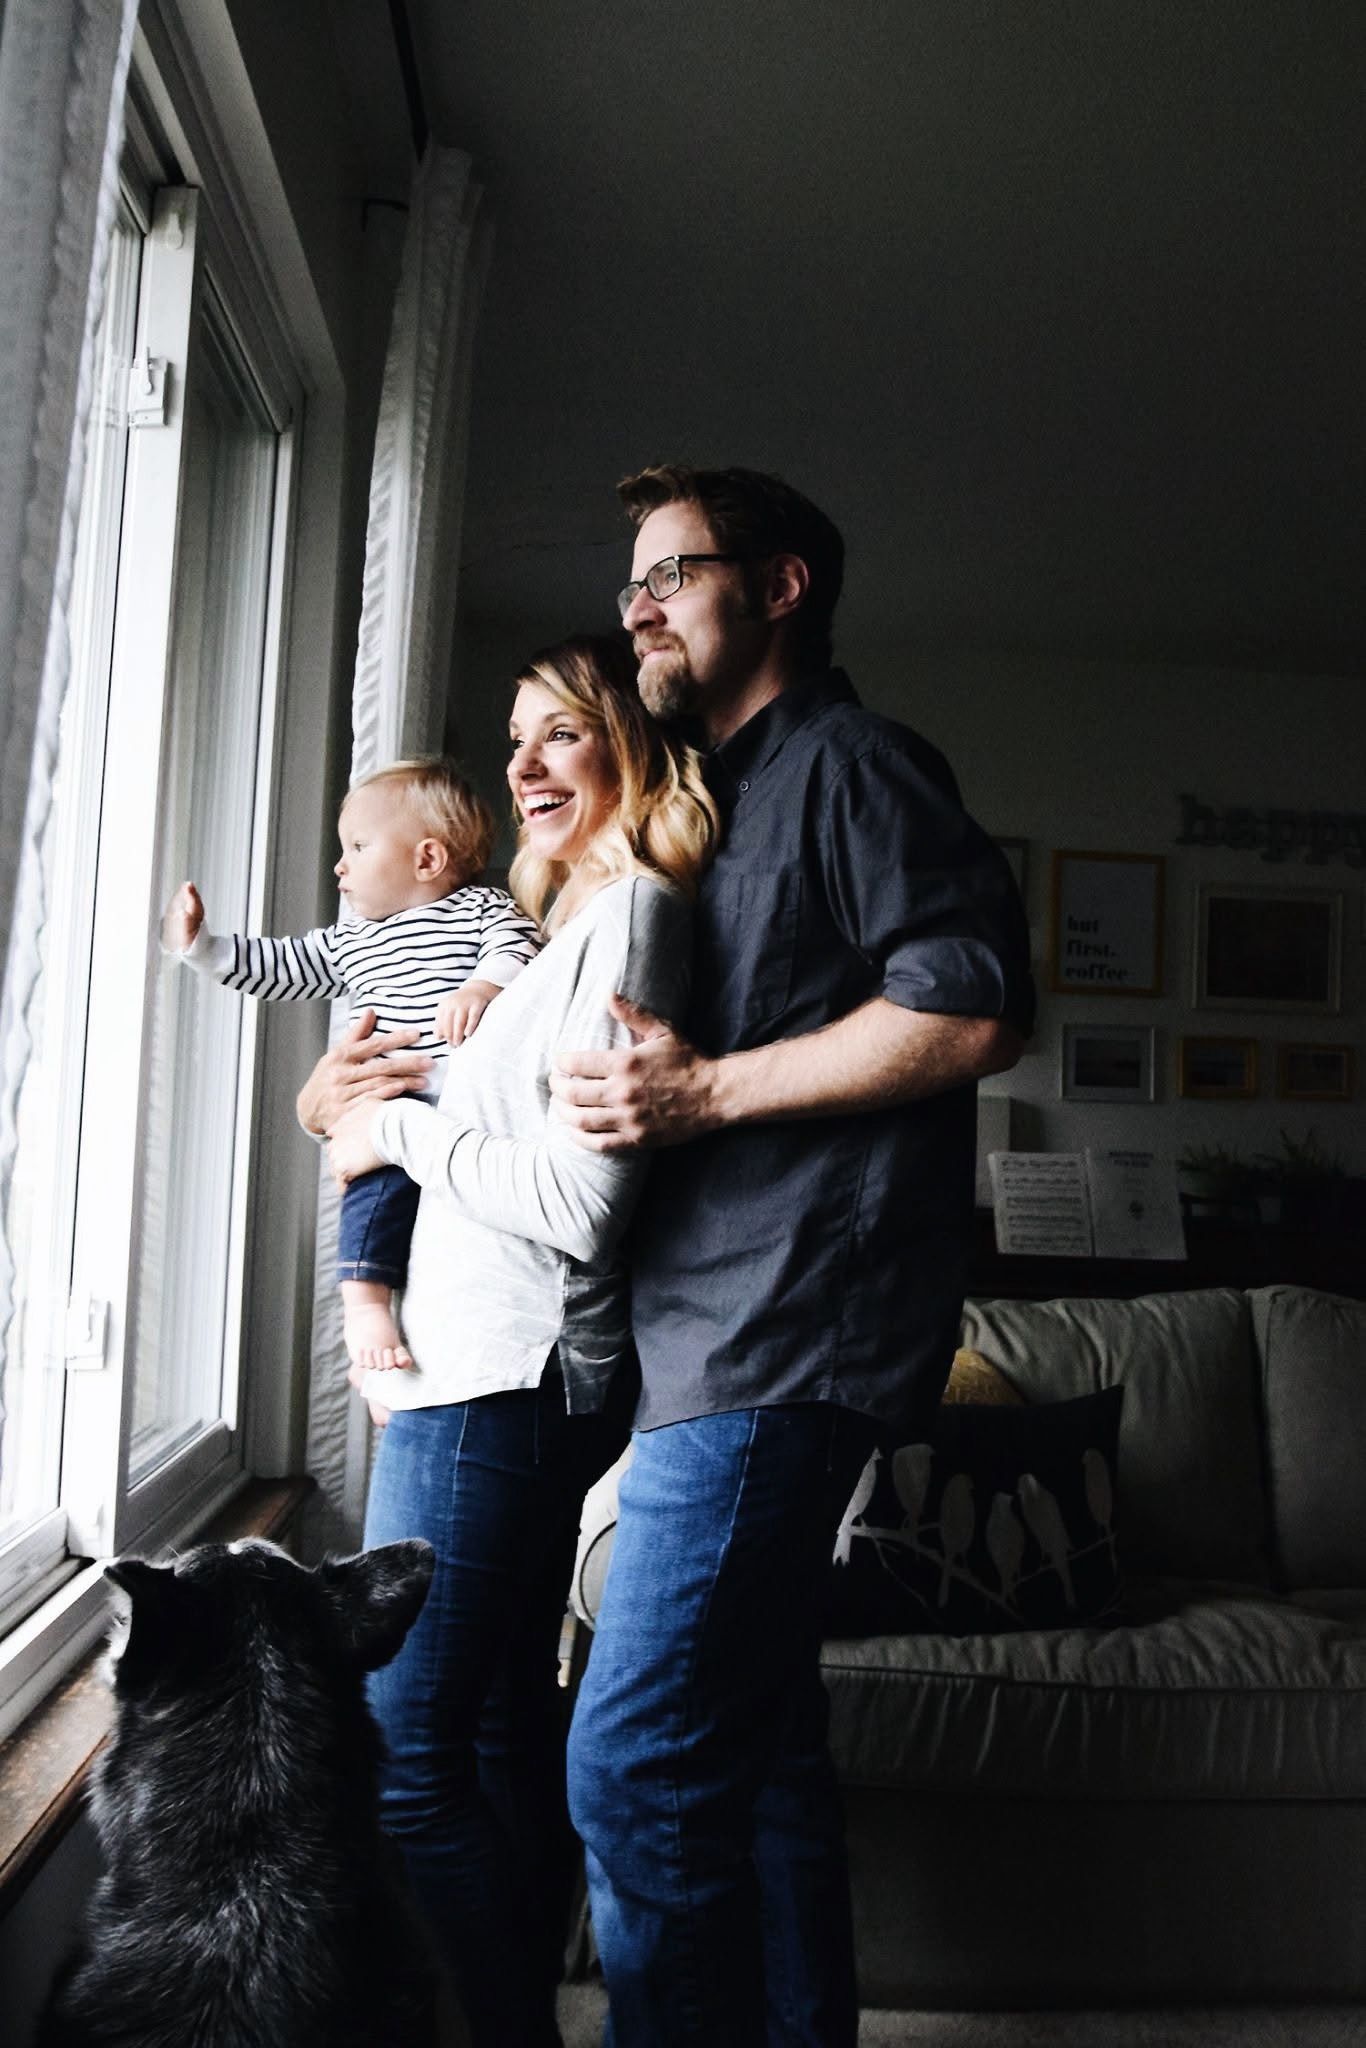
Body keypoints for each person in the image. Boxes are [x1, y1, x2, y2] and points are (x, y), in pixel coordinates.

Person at [550, 466, 1037, 2048]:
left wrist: (697, 1092)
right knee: (756, 1756)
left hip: (782, 1336)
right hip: (698, 1337)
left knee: (628, 1761)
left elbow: (969, 1008)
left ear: (780, 587)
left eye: (669, 571)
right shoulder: (704, 800)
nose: (634, 607)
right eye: (626, 582)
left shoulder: (855, 765)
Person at [311, 635, 718, 2048]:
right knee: (487, 1738)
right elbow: (462, 1122)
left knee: (402, 1758)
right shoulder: (558, 935)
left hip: (506, 1381)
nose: (526, 766)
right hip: (473, 1379)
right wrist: (364, 1099)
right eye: (513, 739)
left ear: (630, 745)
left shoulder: (639, 918)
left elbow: (574, 1203)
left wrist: (395, 1129)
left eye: (562, 733)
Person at [161, 757, 540, 1378]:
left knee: (454, 1231)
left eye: (358, 847)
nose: (340, 865)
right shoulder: (351, 940)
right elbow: (280, 967)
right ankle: (365, 1308)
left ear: (427, 860)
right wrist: (202, 948)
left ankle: (409, 1347)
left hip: (469, 1111)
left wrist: (483, 987)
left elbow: (518, 944)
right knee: (374, 1197)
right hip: (393, 1109)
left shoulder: (480, 907)